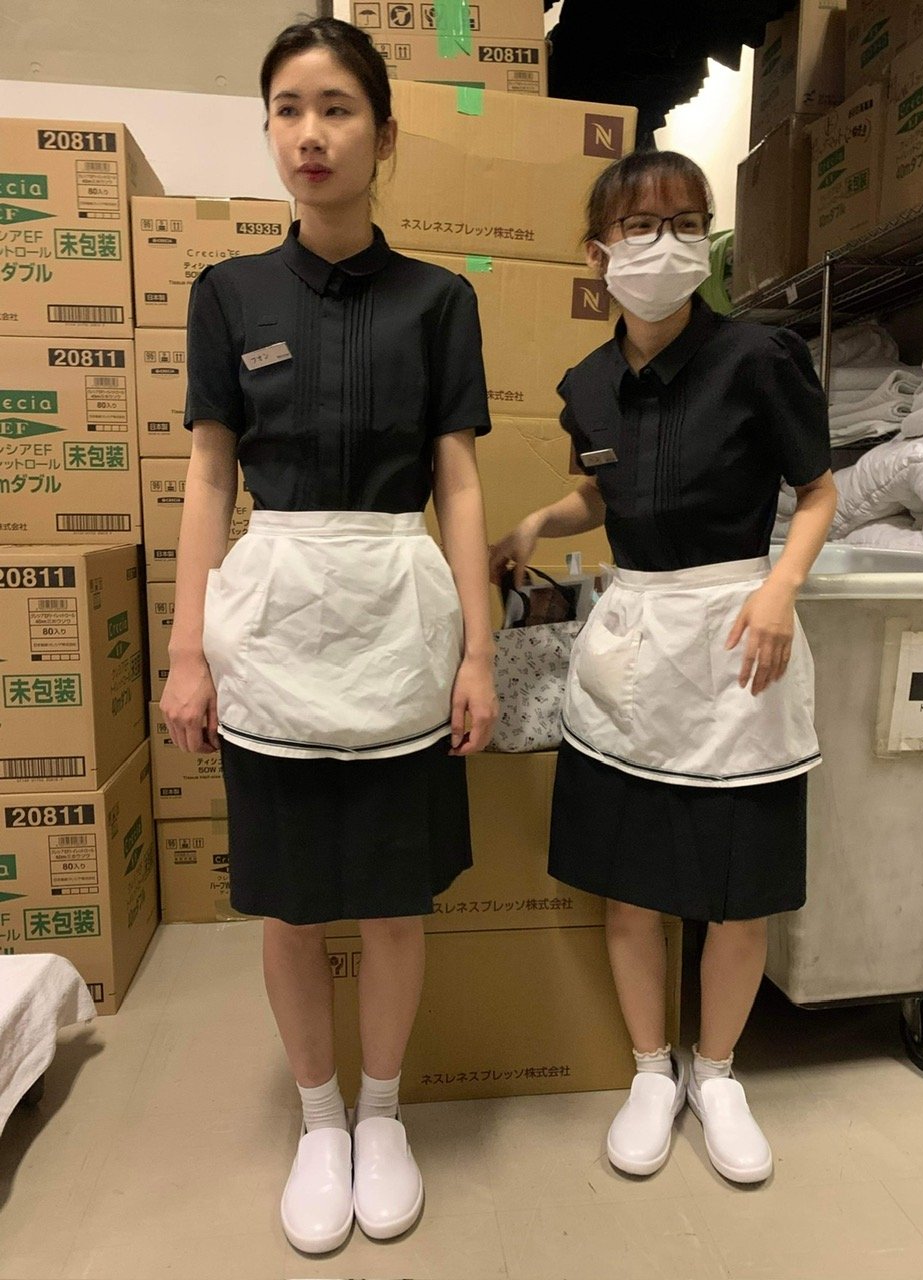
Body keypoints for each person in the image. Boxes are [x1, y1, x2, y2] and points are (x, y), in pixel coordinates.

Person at [160, 18, 497, 1253]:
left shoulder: (441, 300)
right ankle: (318, 1119)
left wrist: (476, 652)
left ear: (384, 135)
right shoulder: (228, 294)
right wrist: (186, 651)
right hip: (272, 624)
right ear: (269, 130)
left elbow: (459, 483)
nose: (312, 133)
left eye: (338, 108)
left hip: (402, 616)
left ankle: (385, 1112)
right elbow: (209, 478)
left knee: (397, 901)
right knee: (293, 905)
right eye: (289, 108)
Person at [490, 150, 836, 1185]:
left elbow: (817, 491)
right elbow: (602, 493)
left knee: (737, 890)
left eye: (687, 222)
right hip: (634, 635)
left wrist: (780, 588)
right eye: (640, 227)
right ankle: (652, 1070)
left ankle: (717, 1072)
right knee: (633, 884)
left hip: (740, 635)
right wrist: (537, 520)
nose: (667, 244)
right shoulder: (587, 386)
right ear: (597, 253)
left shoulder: (760, 357)